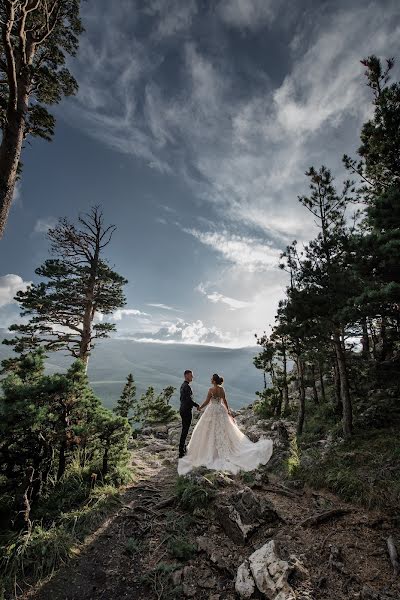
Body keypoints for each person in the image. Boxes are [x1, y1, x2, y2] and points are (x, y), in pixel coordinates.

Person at [178, 373, 273, 475]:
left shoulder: (211, 390)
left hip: (212, 410)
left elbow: (207, 402)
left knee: (209, 430)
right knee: (224, 429)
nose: (210, 380)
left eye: (211, 379)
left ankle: (210, 451)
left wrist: (200, 407)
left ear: (214, 381)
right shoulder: (222, 389)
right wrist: (228, 411)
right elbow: (225, 401)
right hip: (221, 410)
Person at [178, 369, 200, 458]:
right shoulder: (187, 387)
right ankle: (181, 451)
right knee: (185, 430)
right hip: (186, 410)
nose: (192, 377)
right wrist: (196, 405)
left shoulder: (183, 386)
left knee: (185, 429)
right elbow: (189, 400)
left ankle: (182, 448)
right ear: (186, 375)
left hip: (183, 409)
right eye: (191, 375)